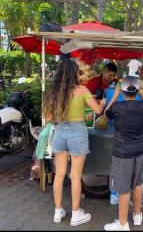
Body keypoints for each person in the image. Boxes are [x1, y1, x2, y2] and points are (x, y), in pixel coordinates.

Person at [43, 59, 106, 226]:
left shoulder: (53, 92)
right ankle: (76, 214)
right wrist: (104, 103)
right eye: (78, 72)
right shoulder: (82, 90)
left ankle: (58, 212)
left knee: (60, 174)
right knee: (76, 175)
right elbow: (98, 110)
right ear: (74, 74)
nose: (80, 75)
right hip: (78, 132)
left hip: (60, 132)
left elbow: (49, 118)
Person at [103, 76, 143, 231]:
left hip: (122, 152)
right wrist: (142, 92)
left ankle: (123, 224)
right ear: (136, 91)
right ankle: (137, 216)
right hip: (140, 150)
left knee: (124, 188)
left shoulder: (117, 107)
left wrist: (116, 96)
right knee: (137, 184)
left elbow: (105, 113)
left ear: (123, 90)